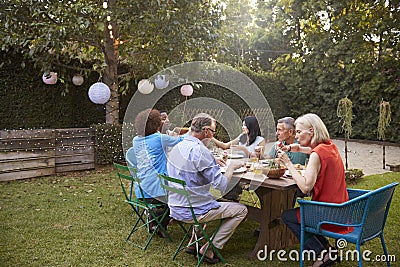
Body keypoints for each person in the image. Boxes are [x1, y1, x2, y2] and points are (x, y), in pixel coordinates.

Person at [167, 113, 248, 264]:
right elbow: (222, 187)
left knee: (206, 198)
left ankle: (193, 243)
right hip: (192, 209)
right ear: (205, 131)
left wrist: (212, 159)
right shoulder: (200, 151)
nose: (213, 135)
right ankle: (209, 248)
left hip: (176, 205)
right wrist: (231, 167)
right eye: (213, 131)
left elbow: (192, 163)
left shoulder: (178, 146)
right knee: (242, 210)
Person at [277, 113, 349, 267]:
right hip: (341, 210)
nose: (296, 136)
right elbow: (301, 148)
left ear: (311, 131)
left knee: (287, 216)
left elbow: (305, 187)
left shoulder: (317, 154)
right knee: (298, 215)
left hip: (326, 213)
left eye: (298, 132)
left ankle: (321, 254)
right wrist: (288, 147)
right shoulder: (329, 146)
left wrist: (288, 163)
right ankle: (329, 250)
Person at [126, 109, 184, 234]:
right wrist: (193, 131)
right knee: (180, 196)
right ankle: (160, 224)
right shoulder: (159, 138)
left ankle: (154, 219)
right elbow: (181, 140)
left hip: (141, 190)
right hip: (157, 191)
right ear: (158, 124)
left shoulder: (136, 140)